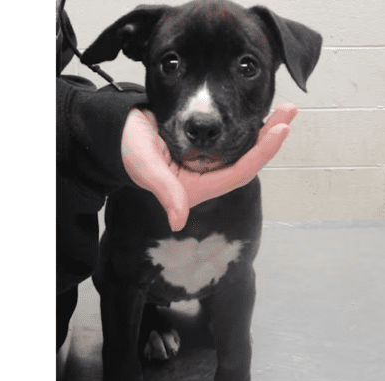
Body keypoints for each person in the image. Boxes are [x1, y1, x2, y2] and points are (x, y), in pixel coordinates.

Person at [56, 6, 298, 350]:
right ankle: (149, 319)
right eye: (172, 65)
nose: (204, 115)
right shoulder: (136, 174)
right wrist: (91, 121)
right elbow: (117, 273)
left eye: (246, 66)